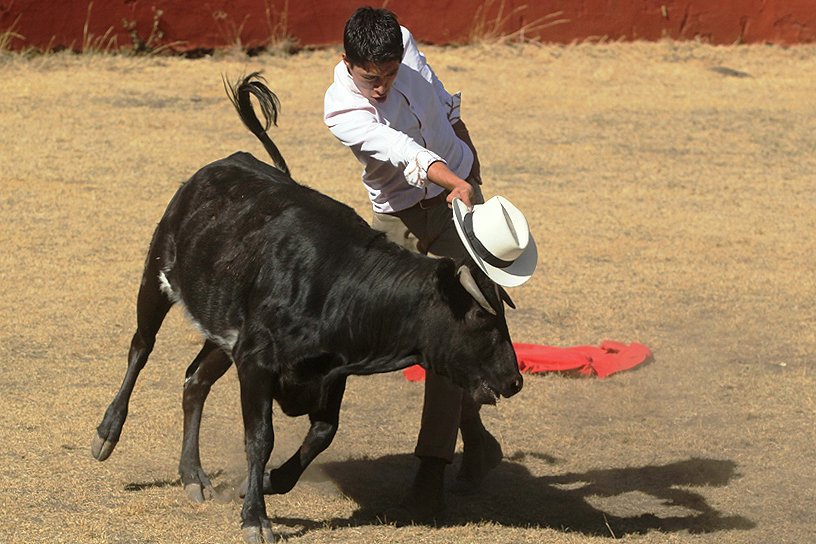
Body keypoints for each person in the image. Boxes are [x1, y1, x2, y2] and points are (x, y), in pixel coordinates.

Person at [323, 7, 501, 522]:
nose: (381, 87)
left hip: (455, 207)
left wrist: (468, 162)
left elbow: (442, 102)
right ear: (347, 63)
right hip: (398, 219)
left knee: (451, 332)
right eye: (370, 78)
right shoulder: (340, 109)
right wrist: (457, 179)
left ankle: (430, 477)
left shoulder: (403, 41)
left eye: (390, 74)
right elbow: (403, 151)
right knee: (380, 333)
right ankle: (477, 439)